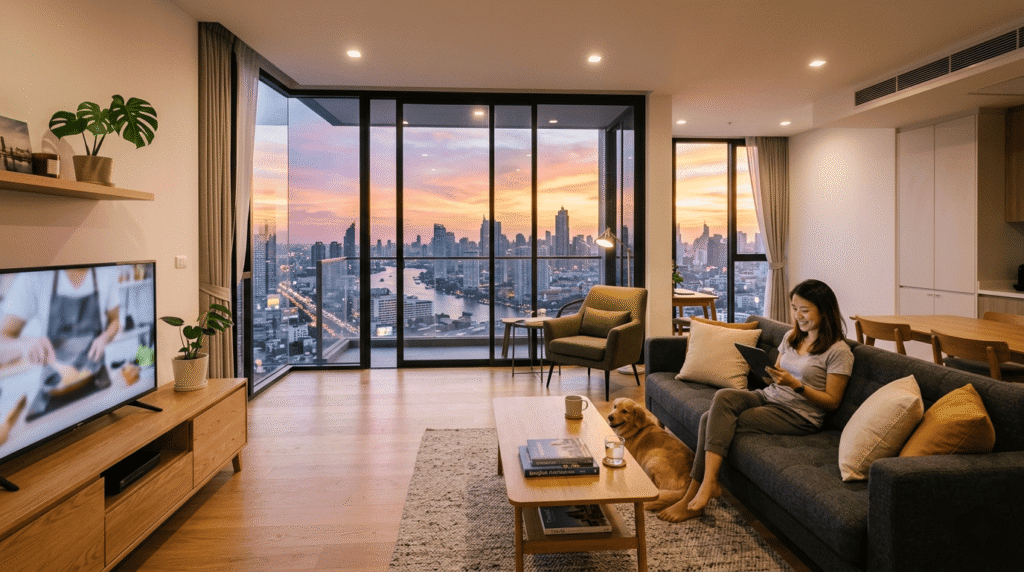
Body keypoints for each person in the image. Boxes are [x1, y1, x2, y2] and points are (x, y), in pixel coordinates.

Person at [658, 279, 854, 523]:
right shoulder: (792, 337)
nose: (798, 316)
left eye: (804, 310)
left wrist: (797, 385)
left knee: (711, 420)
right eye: (795, 309)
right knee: (723, 398)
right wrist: (764, 370)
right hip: (770, 395)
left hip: (799, 414)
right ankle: (706, 486)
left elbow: (832, 401)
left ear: (824, 311)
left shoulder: (839, 352)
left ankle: (698, 490)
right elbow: (776, 374)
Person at [1, 267, 120, 368]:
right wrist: (25, 344)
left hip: (96, 374)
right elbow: (3, 339)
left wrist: (105, 337)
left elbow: (115, 320)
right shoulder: (33, 276)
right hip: (55, 379)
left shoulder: (107, 271)